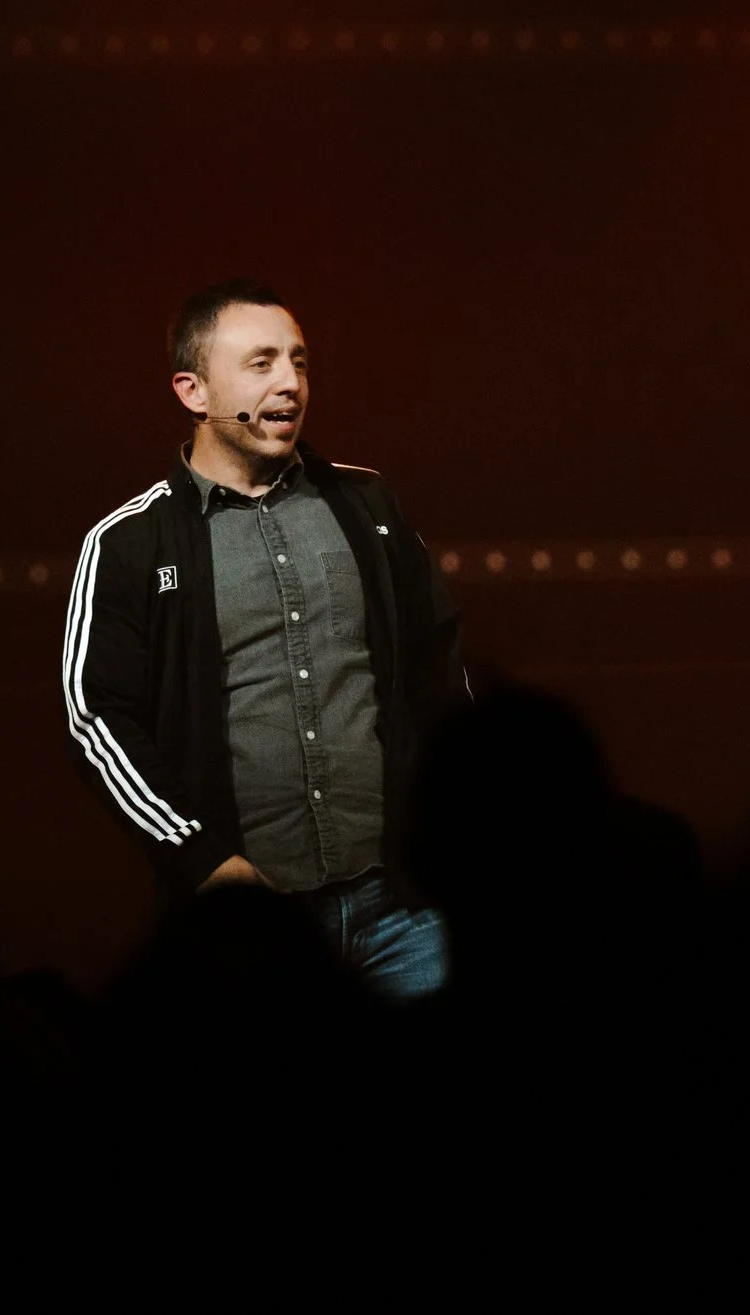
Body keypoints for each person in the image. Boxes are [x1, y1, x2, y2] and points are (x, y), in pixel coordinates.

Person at [62, 277, 469, 998]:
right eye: (261, 362)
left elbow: (438, 668)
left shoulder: (366, 501)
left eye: (299, 361)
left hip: (403, 911)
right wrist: (200, 859)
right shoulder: (129, 541)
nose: (291, 381)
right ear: (193, 390)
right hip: (251, 936)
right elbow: (96, 717)